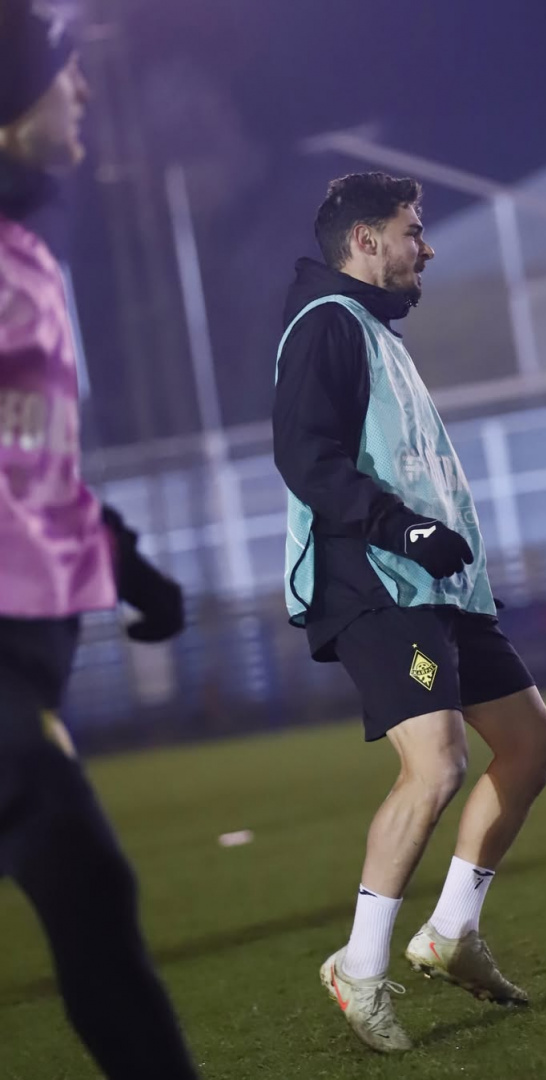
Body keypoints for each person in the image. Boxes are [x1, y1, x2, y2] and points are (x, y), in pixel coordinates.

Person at [273, 172, 546, 1054]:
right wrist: (402, 527)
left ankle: (450, 932)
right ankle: (357, 969)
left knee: (530, 747)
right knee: (435, 767)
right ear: (365, 240)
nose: (426, 247)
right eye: (412, 231)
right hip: (377, 583)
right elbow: (305, 457)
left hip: (436, 584)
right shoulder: (325, 323)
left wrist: (433, 540)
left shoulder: (370, 329)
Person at [0, 3, 199, 1076]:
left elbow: (32, 468)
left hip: (29, 653)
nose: (82, 89)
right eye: (61, 70)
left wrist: (125, 563)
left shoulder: (25, 254)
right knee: (81, 872)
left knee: (85, 886)